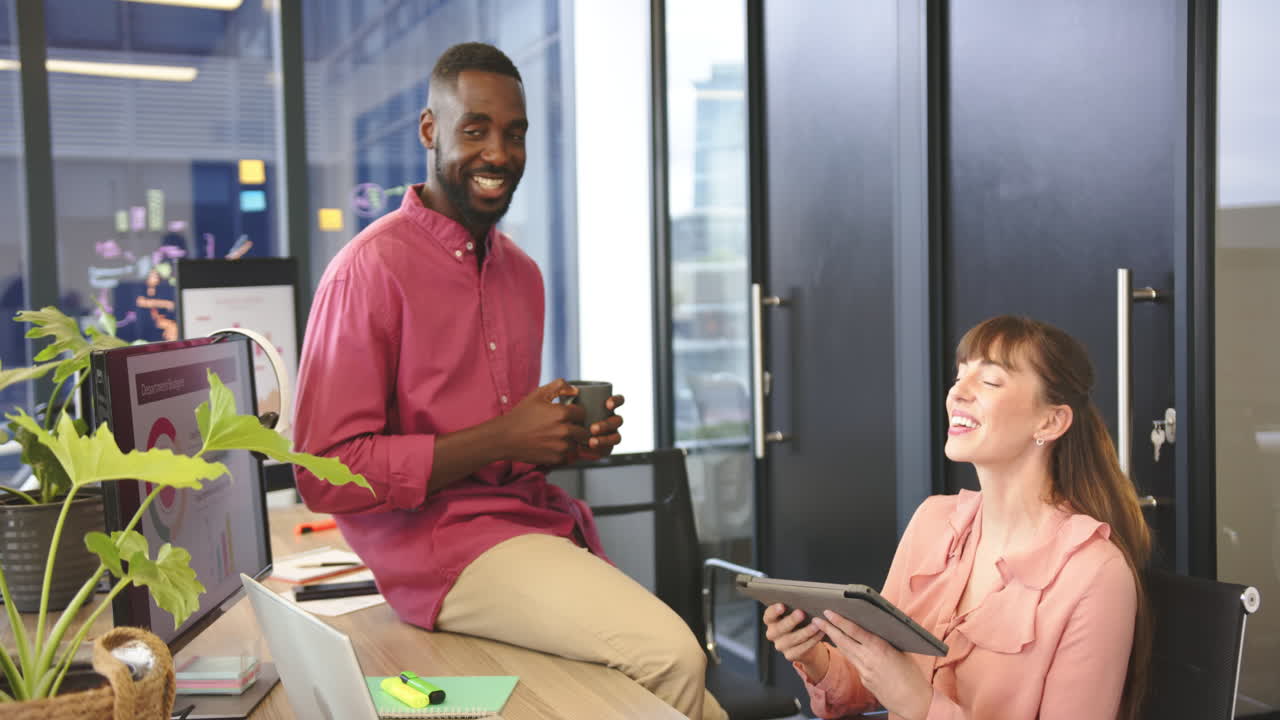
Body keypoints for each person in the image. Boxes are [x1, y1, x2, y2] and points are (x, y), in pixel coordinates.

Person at [291, 42, 727, 720]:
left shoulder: (521, 274)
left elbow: (499, 452)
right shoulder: (366, 272)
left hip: (528, 527)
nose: (499, 152)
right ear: (430, 131)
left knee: (693, 706)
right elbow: (323, 472)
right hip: (438, 550)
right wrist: (503, 436)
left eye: (514, 133)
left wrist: (558, 444)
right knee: (672, 658)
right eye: (476, 129)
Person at [764, 315, 1151, 720]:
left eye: (989, 381)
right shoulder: (933, 520)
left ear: (1050, 421)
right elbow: (878, 681)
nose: (957, 394)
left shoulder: (1095, 574)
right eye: (959, 376)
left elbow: (905, 694)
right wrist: (814, 657)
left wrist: (920, 704)